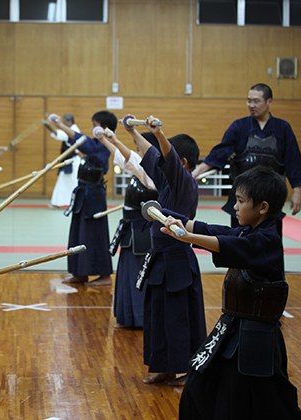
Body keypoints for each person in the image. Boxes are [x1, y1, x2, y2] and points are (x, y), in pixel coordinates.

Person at [159, 166, 301, 420]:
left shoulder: (267, 240)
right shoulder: (250, 230)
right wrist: (169, 216)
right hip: (231, 330)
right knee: (199, 386)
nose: (235, 207)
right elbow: (218, 231)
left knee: (268, 406)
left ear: (262, 207)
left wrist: (185, 236)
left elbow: (231, 244)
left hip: (257, 340)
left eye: (240, 201)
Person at [128, 115, 206, 386]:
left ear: (182, 164)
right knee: (158, 315)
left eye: (168, 161)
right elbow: (150, 156)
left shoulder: (184, 182)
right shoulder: (166, 185)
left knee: (179, 318)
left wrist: (158, 133)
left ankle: (187, 370)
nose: (161, 165)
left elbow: (165, 156)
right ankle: (164, 367)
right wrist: (133, 132)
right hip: (159, 261)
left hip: (178, 262)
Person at [192, 83, 301, 234]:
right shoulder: (239, 126)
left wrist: (297, 191)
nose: (251, 105)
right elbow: (219, 153)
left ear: (269, 102)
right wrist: (195, 173)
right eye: (249, 101)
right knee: (239, 239)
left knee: (270, 241)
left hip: (270, 195)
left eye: (256, 101)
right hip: (243, 194)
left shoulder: (283, 128)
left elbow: (293, 160)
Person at [98, 126, 158, 328]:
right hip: (131, 230)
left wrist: (114, 139)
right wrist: (105, 141)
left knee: (138, 275)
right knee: (127, 274)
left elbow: (131, 159)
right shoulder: (140, 169)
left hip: (143, 233)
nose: (138, 153)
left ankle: (140, 318)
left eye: (140, 149)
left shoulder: (154, 174)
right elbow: (124, 158)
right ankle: (129, 316)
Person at [49, 110, 114, 287]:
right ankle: (80, 273)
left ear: (105, 128)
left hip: (94, 197)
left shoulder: (104, 145)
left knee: (94, 235)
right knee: (79, 234)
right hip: (83, 193)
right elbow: (77, 141)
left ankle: (105, 275)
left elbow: (83, 144)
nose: (92, 128)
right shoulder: (94, 143)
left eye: (95, 125)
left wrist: (60, 125)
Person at [46, 114, 82, 209]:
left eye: (65, 121)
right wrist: (50, 127)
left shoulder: (74, 131)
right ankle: (58, 203)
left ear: (69, 121)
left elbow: (61, 135)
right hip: (69, 160)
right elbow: (59, 133)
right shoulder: (70, 129)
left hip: (73, 161)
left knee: (74, 183)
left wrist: (50, 126)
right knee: (63, 181)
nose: (64, 123)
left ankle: (76, 203)